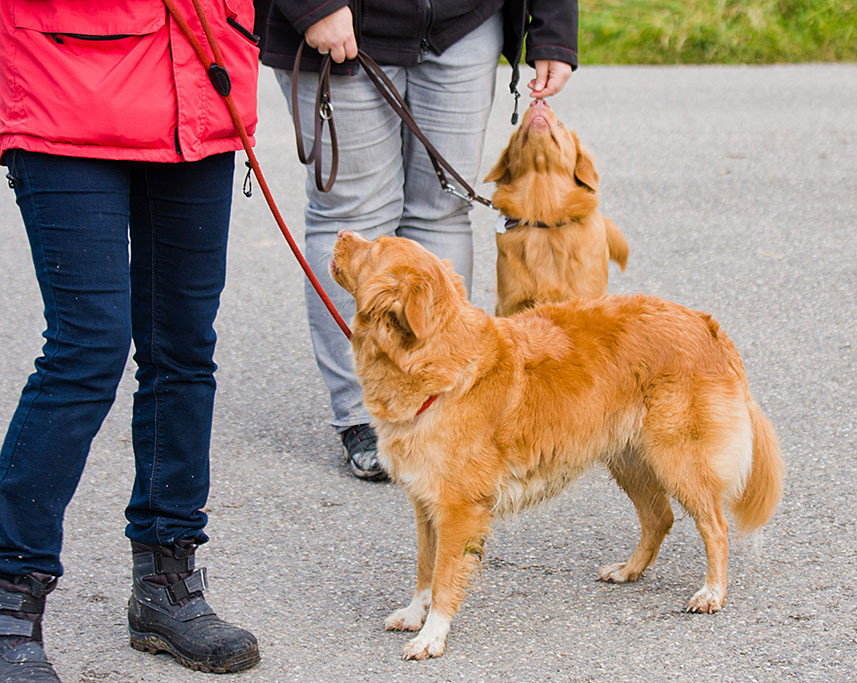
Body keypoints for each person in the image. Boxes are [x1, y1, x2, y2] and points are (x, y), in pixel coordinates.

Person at [0, 2, 262, 680]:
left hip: (198, 83)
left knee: (184, 348)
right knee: (87, 349)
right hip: (65, 81)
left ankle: (166, 581)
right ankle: (11, 596)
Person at [254, 0, 578, 481]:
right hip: (344, 21)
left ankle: (439, 397)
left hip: (464, 23)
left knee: (444, 209)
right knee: (354, 218)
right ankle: (365, 416)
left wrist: (553, 29)